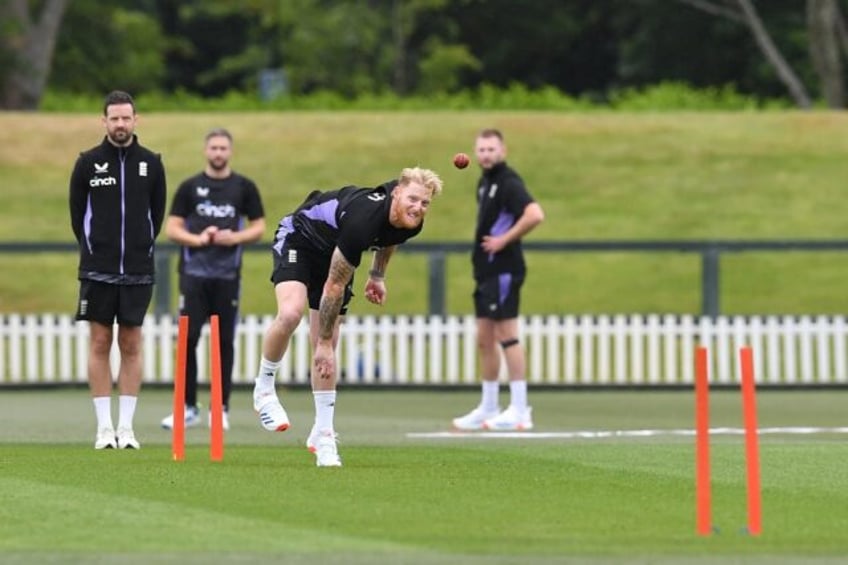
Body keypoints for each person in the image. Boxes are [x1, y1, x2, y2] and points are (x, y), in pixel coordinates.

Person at [253, 167, 444, 467]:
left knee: (326, 345)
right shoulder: (363, 220)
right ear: (397, 192)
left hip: (338, 251)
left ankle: (324, 434)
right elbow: (334, 285)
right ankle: (264, 390)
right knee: (292, 314)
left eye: (425, 203)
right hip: (300, 239)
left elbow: (389, 237)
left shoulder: (411, 222)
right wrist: (324, 342)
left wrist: (377, 274)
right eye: (413, 199)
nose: (418, 208)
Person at [69, 90, 167, 449]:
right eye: (115, 118)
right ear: (104, 121)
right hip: (97, 270)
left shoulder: (152, 163)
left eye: (127, 118)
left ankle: (126, 429)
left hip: (138, 270)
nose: (121, 124)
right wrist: (97, 251)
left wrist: (139, 247)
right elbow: (77, 217)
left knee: (131, 343)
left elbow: (155, 216)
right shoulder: (87, 162)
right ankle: (103, 428)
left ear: (135, 120)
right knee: (99, 342)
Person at [159, 128, 266, 432]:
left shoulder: (243, 187)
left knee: (224, 342)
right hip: (193, 275)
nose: (218, 153)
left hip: (227, 276)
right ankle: (188, 407)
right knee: (188, 339)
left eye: (223, 148)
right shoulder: (190, 187)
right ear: (205, 151)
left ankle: (221, 409)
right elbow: (172, 228)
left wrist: (235, 237)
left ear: (230, 151)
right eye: (213, 148)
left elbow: (258, 227)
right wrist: (198, 239)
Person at [452, 128, 544, 431]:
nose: (486, 154)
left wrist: (504, 240)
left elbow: (534, 214)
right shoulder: (484, 182)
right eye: (481, 149)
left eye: (491, 149)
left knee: (508, 335)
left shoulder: (508, 182)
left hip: (504, 268)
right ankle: (489, 406)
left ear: (503, 151)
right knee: (485, 339)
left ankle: (520, 409)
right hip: (485, 271)